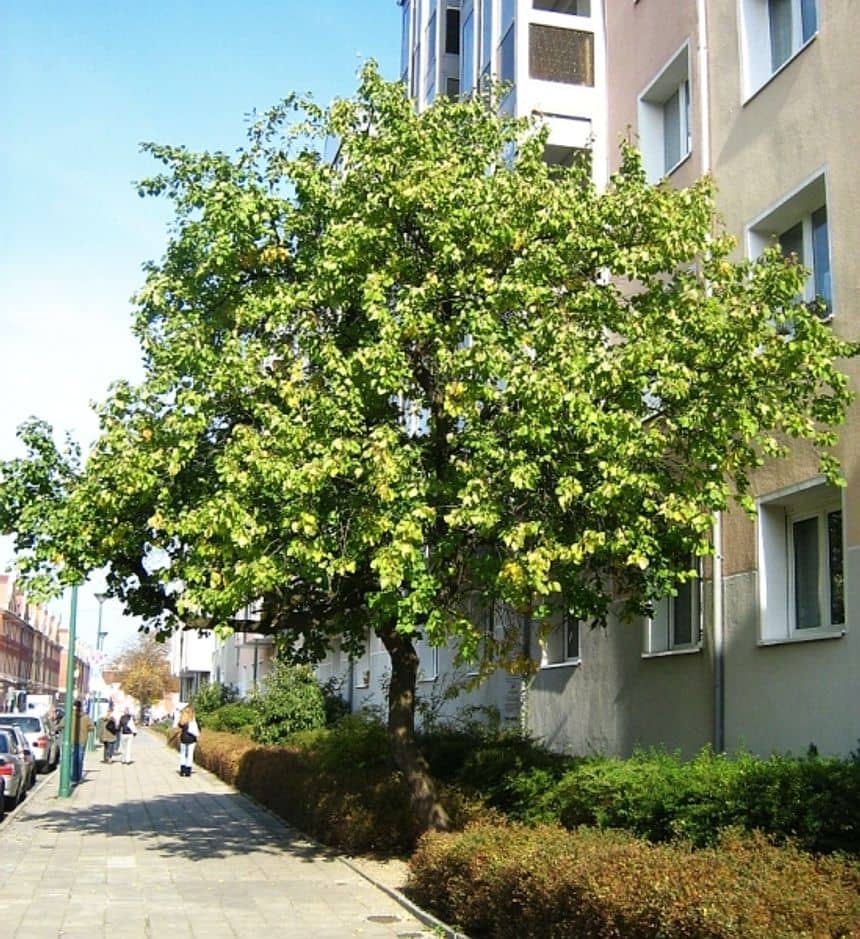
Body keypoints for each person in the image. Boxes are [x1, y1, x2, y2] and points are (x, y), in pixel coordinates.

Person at [57, 700, 94, 784]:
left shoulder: (68, 716)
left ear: (73, 706)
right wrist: (86, 729)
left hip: (71, 740)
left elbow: (60, 726)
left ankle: (72, 777)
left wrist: (59, 729)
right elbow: (92, 728)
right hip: (82, 741)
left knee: (71, 759)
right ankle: (78, 777)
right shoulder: (86, 717)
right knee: (79, 760)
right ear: (81, 707)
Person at [173, 704, 199, 777]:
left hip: (183, 739)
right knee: (190, 755)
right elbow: (197, 729)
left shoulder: (182, 720)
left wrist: (180, 716)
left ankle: (182, 771)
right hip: (191, 739)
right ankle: (188, 771)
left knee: (183, 755)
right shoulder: (192, 720)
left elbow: (178, 726)